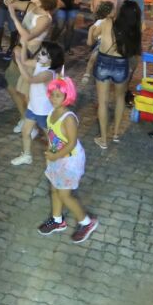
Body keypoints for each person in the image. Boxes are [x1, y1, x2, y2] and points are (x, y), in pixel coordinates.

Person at [35, 78, 99, 244]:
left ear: (67, 96)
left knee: (65, 195)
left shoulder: (68, 118)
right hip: (57, 158)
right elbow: (52, 135)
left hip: (70, 160)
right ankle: (57, 220)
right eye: (52, 94)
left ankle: (86, 222)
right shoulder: (52, 112)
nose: (53, 98)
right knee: (54, 189)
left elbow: (71, 143)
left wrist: (56, 155)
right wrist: (51, 150)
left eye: (58, 95)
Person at [87, 0, 141, 146]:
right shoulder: (135, 30)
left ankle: (103, 139)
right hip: (121, 64)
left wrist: (91, 29)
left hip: (103, 62)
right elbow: (135, 56)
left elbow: (91, 41)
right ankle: (116, 133)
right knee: (119, 99)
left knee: (103, 102)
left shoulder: (106, 23)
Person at [3, 0, 55, 124]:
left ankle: (32, 124)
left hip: (31, 55)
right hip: (20, 50)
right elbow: (7, 2)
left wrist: (14, 18)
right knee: (12, 87)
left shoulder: (45, 19)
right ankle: (24, 118)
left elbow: (27, 36)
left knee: (25, 92)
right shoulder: (31, 6)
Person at [12, 42, 66, 166]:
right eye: (40, 51)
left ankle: (56, 157)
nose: (39, 54)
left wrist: (19, 62)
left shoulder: (48, 73)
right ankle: (27, 155)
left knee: (50, 136)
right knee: (25, 131)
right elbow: (25, 61)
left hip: (43, 110)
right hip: (33, 106)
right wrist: (23, 45)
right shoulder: (39, 63)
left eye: (43, 53)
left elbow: (29, 79)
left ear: (51, 59)